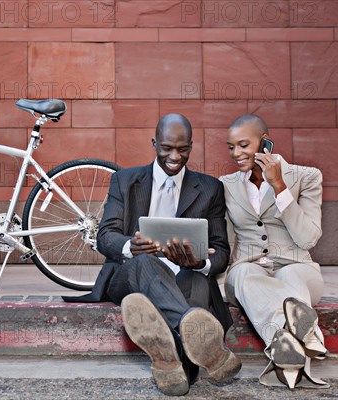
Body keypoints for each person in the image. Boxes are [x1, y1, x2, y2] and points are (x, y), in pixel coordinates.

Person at [63, 114, 241, 396]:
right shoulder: (125, 181)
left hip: (184, 275)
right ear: (154, 143)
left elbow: (221, 251)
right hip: (132, 274)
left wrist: (200, 262)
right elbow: (105, 236)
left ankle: (171, 364)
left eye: (183, 149)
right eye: (167, 148)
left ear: (191, 146)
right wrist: (129, 247)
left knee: (196, 279)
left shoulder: (210, 188)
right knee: (145, 261)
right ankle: (204, 345)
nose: (175, 156)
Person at [220, 114, 329, 390]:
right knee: (243, 272)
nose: (236, 153)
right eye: (231, 147)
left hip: (298, 266)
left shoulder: (306, 177)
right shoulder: (226, 185)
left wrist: (279, 186)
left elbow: (308, 239)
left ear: (265, 141)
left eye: (244, 145)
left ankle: (286, 353)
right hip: (249, 269)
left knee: (291, 274)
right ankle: (307, 335)